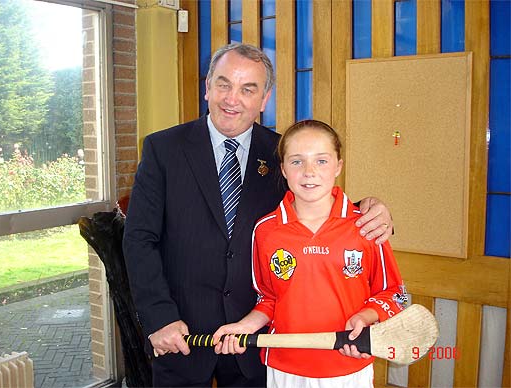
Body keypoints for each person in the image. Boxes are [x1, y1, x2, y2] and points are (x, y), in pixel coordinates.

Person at [123, 43, 394, 387]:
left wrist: (372, 208)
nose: (232, 98)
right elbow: (139, 239)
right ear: (208, 87)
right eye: (223, 84)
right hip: (181, 333)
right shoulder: (163, 149)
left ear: (264, 100)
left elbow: (320, 201)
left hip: (258, 338)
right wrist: (159, 317)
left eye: (248, 89)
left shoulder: (284, 152)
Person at [213, 120, 407, 388]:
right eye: (296, 162)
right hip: (285, 368)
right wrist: (243, 327)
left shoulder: (366, 225)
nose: (309, 172)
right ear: (283, 169)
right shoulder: (266, 230)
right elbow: (269, 299)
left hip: (348, 365)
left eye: (321, 161)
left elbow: (394, 294)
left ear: (338, 165)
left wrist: (365, 318)